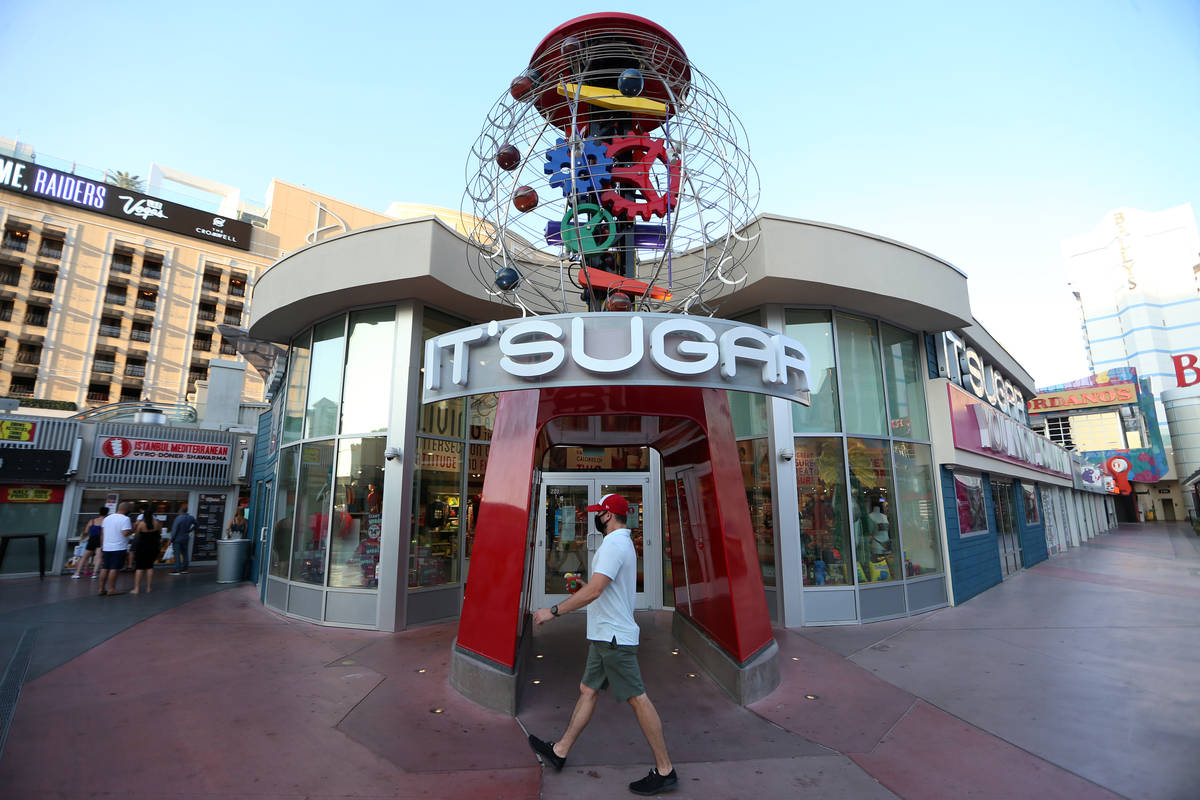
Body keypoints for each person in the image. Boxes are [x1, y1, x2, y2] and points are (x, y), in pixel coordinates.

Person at [526, 493, 678, 796]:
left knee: (637, 697)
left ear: (608, 515)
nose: (594, 518)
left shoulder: (614, 544)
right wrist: (585, 588)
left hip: (613, 637)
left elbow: (596, 591)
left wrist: (552, 611)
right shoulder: (622, 543)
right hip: (603, 634)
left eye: (598, 513)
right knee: (588, 690)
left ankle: (665, 770)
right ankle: (560, 750)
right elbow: (600, 589)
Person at [97, 502, 133, 596]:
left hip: (106, 546)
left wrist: (102, 546)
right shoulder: (126, 519)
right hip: (118, 547)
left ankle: (101, 589)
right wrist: (133, 529)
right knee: (114, 568)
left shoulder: (107, 518)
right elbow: (125, 533)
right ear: (127, 509)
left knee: (105, 568)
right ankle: (111, 589)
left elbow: (102, 533)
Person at [130, 505, 163, 594]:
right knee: (149, 567)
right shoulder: (157, 523)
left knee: (139, 568)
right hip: (153, 547)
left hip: (142, 547)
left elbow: (137, 535)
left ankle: (136, 589)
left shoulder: (141, 524)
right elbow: (159, 533)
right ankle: (148, 588)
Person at [72, 506, 107, 579]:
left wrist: (83, 539)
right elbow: (104, 533)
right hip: (100, 539)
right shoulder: (106, 521)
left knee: (84, 557)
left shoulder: (92, 521)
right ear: (107, 513)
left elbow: (86, 531)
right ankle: (94, 574)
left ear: (99, 512)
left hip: (92, 539)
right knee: (98, 557)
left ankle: (77, 573)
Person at [170, 503, 195, 575]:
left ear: (181, 510)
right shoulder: (191, 517)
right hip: (185, 537)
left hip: (177, 539)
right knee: (185, 553)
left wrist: (171, 539)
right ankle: (185, 569)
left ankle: (177, 570)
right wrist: (191, 530)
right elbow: (197, 524)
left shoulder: (178, 518)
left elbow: (174, 530)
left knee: (177, 554)